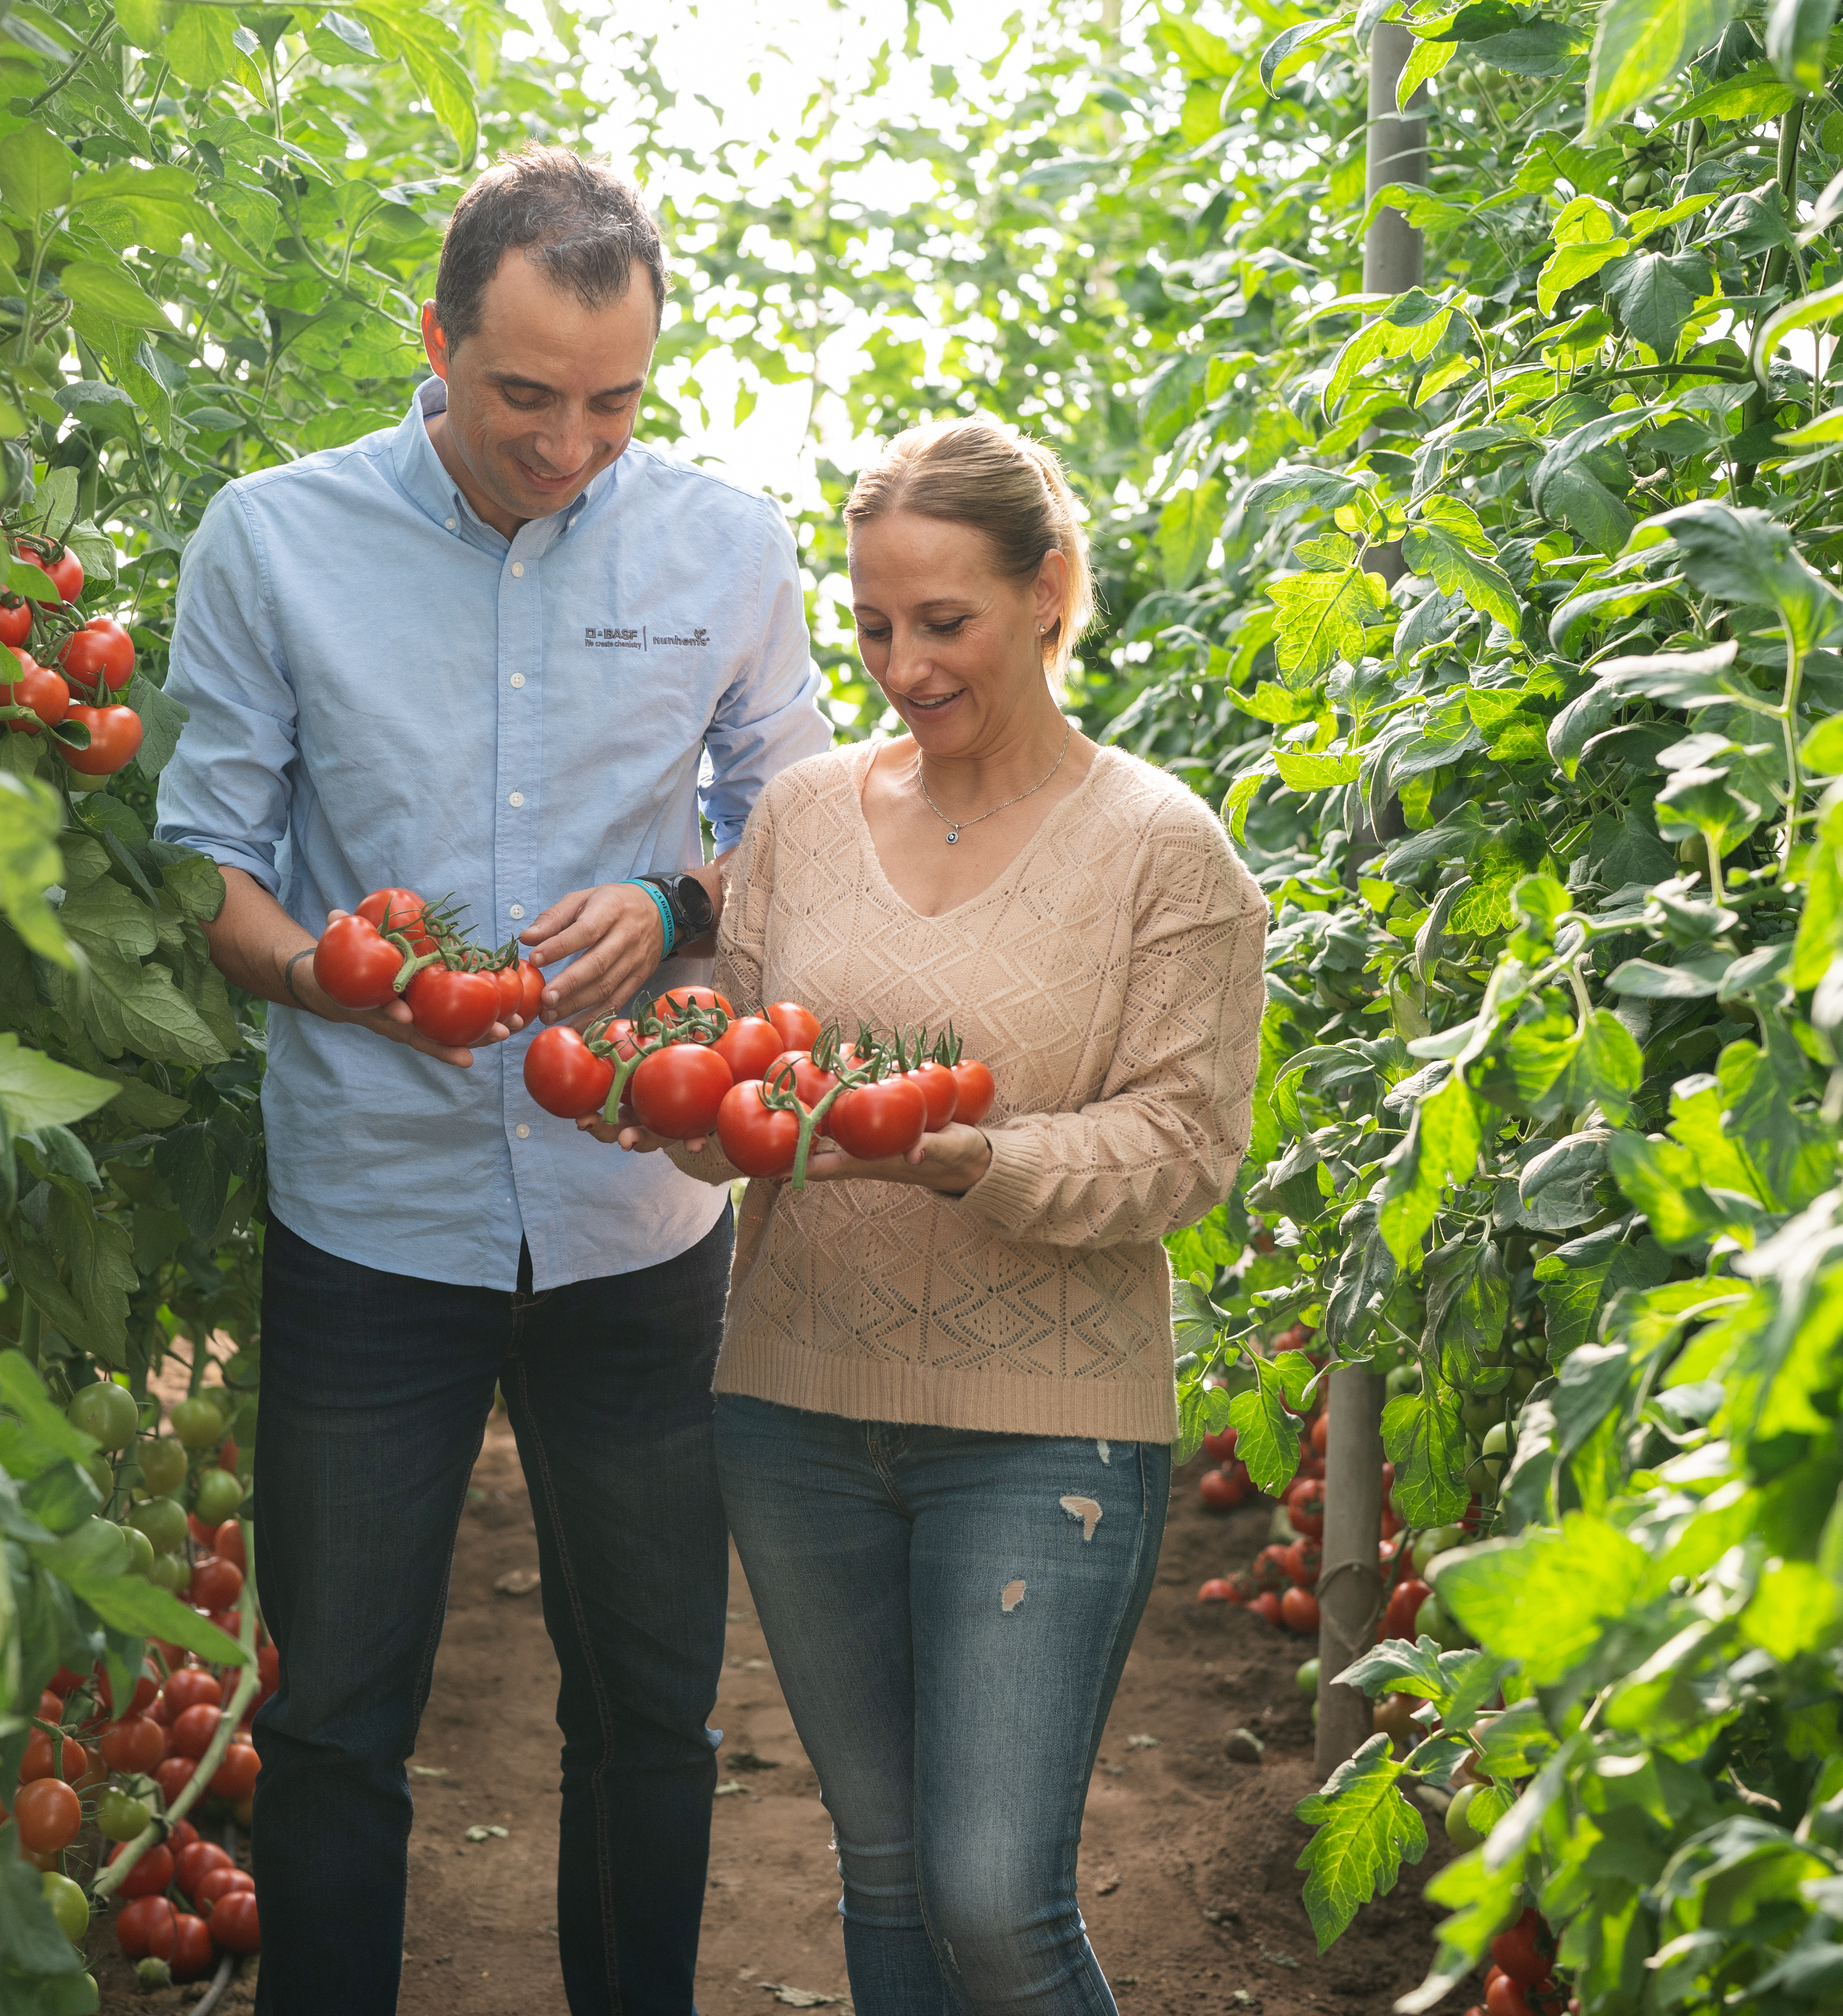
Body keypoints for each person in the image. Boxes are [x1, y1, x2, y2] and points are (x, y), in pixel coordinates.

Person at [156, 146, 831, 2016]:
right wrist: (336, 982)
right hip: (372, 1204)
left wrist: (672, 896)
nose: (567, 444)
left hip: (633, 1211)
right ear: (433, 345)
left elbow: (796, 814)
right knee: (340, 1715)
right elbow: (207, 857)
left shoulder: (724, 545)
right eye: (524, 394)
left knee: (650, 1710)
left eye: (613, 399)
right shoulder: (273, 539)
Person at [581, 417, 1268, 2013]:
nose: (902, 665)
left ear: (1049, 594)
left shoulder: (1165, 851)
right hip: (796, 1409)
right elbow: (742, 1099)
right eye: (874, 624)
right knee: (881, 1877)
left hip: (1042, 1435)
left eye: (942, 622)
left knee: (990, 1900)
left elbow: (1185, 1143)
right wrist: (667, 1100)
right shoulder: (804, 818)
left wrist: (982, 1159)